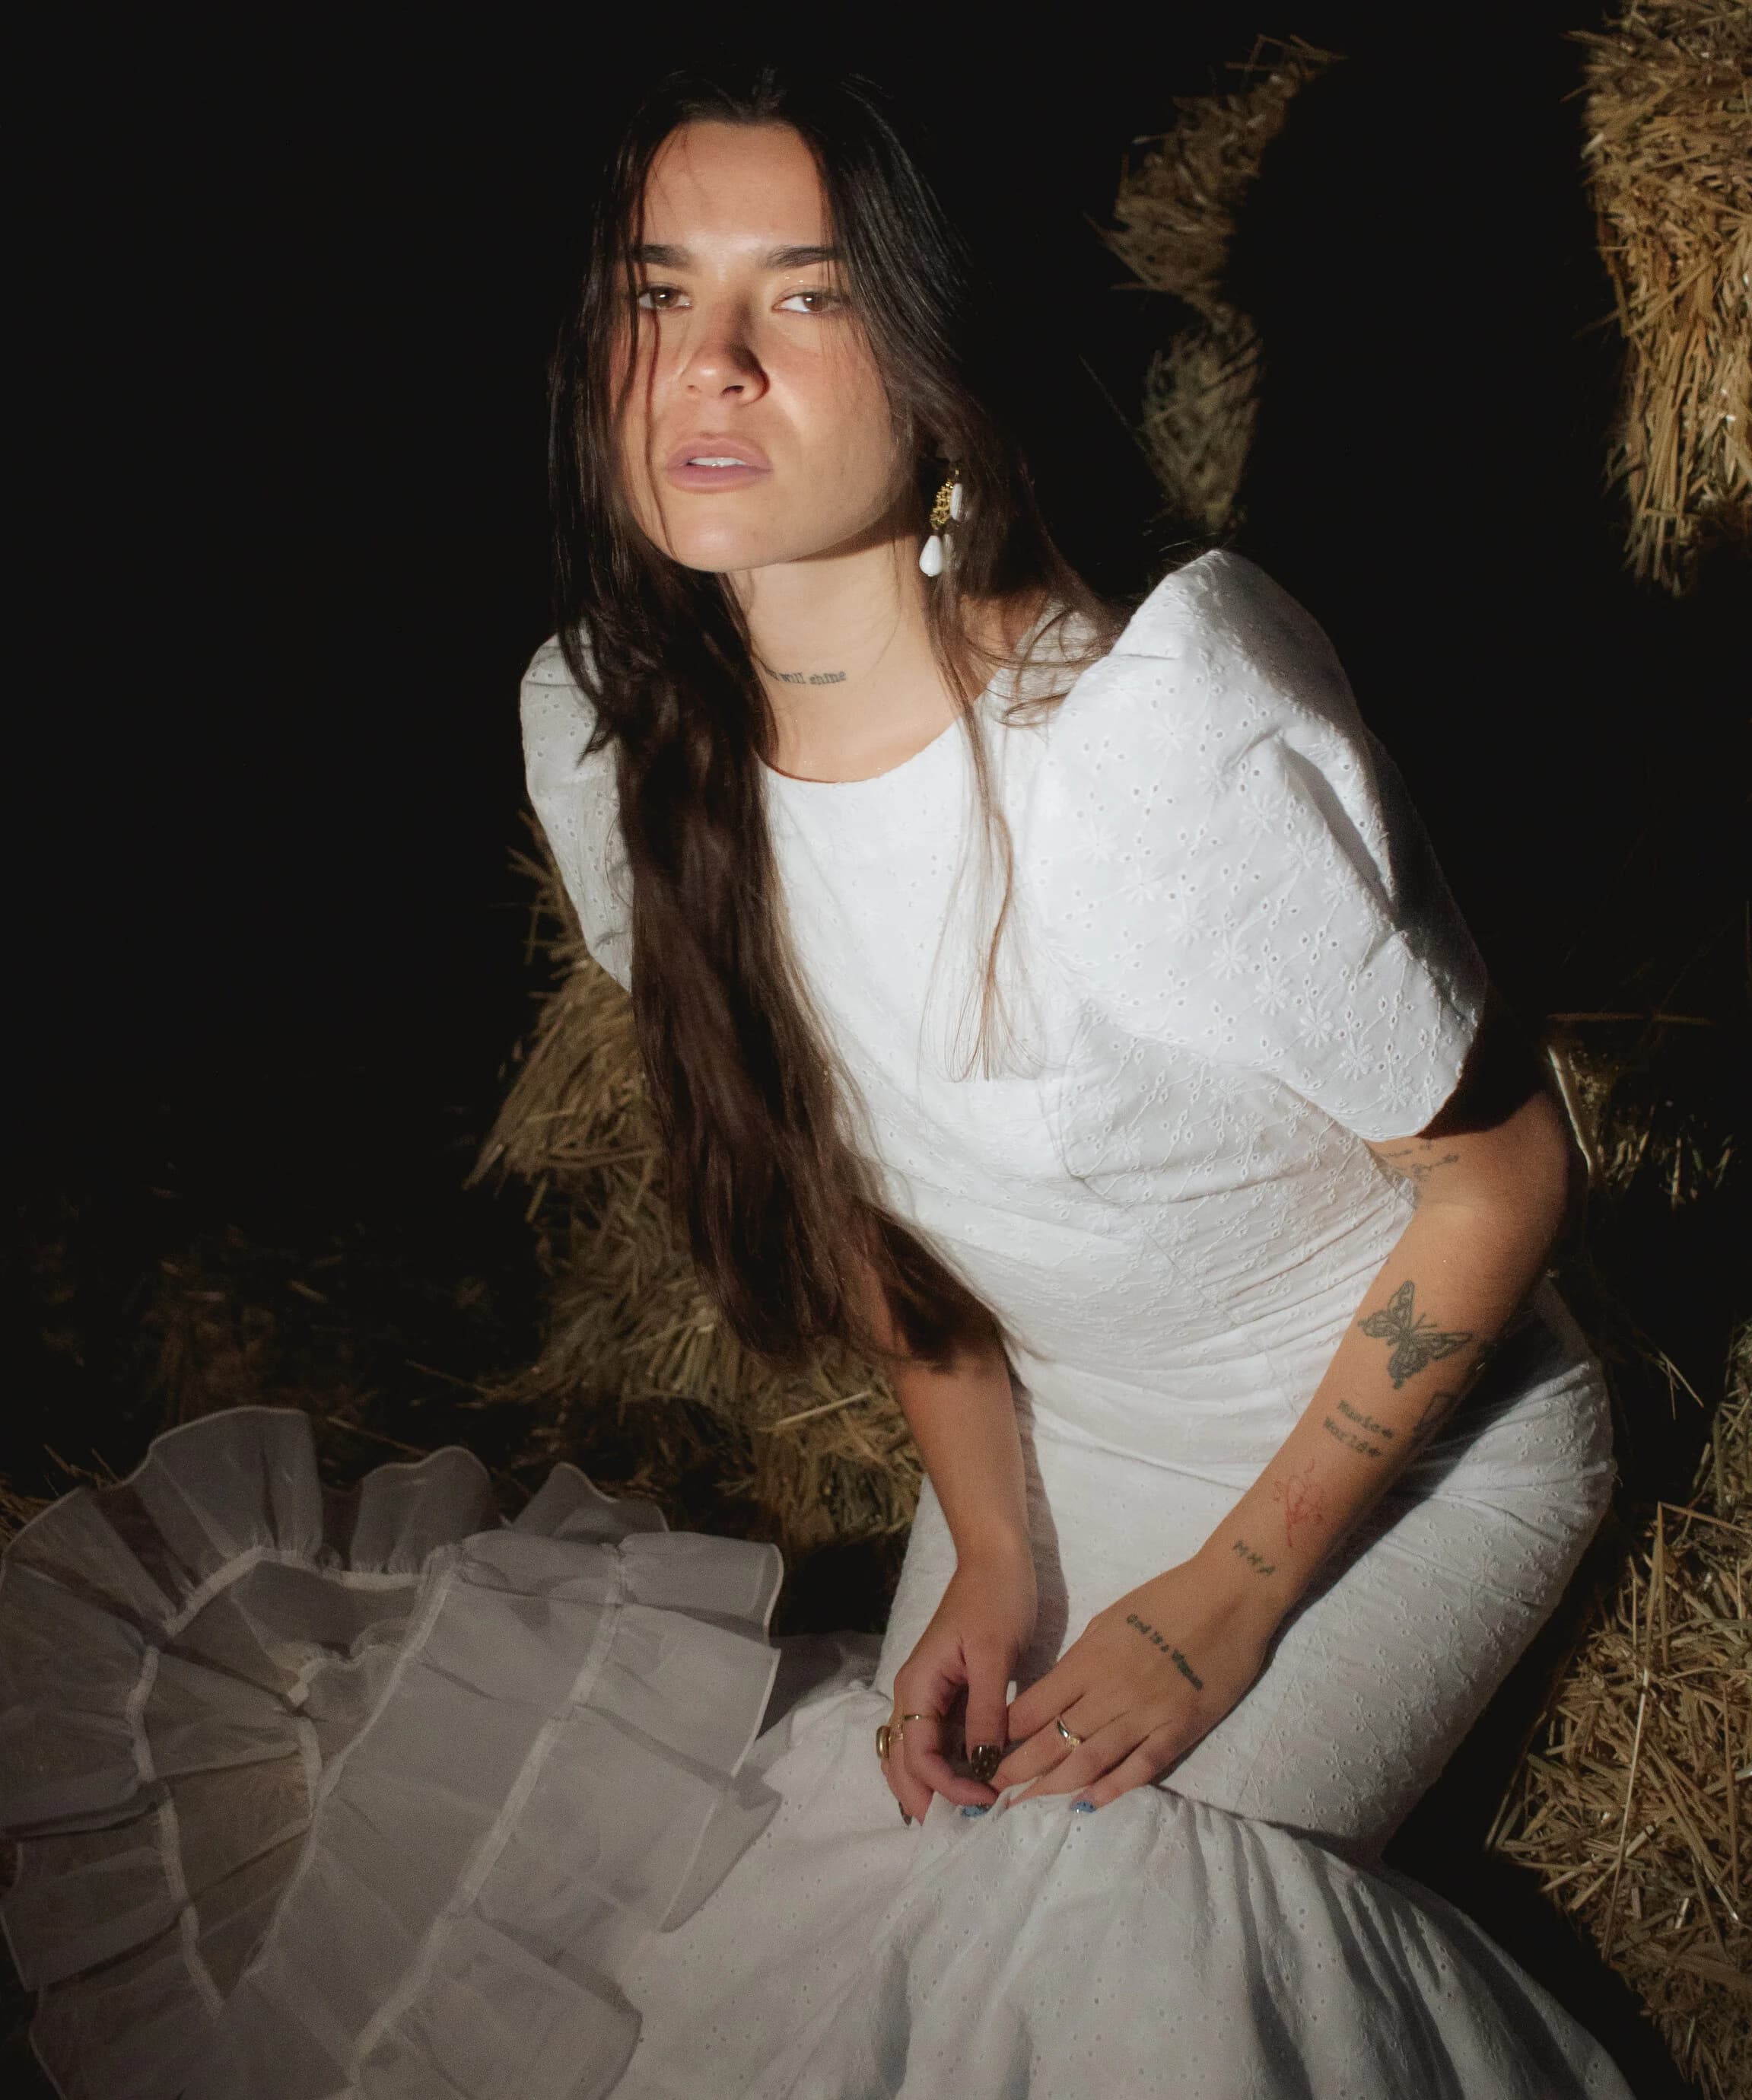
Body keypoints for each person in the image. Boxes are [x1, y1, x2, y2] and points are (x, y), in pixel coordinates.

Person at [0, 60, 1637, 2100]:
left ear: (934, 369)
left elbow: (1501, 1177)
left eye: (803, 294)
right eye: (656, 293)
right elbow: (870, 1195)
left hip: (1406, 1445)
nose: (711, 363)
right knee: (875, 1918)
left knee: (1106, 1919)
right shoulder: (609, 739)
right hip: (1059, 1433)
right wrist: (1001, 1544)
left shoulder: (1158, 738)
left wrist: (1223, 1602)